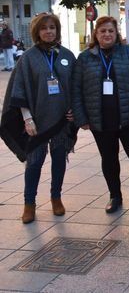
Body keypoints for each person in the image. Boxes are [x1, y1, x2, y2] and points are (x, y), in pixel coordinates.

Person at [71, 16, 129, 214]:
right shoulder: (85, 58)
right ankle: (115, 196)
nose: (107, 34)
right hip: (101, 122)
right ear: (96, 34)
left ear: (116, 33)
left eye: (111, 31)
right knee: (109, 161)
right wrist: (82, 118)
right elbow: (76, 90)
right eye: (103, 31)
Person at [0, 13, 77, 224]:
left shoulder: (68, 56)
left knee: (59, 160)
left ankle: (56, 198)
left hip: (62, 120)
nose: (48, 31)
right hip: (36, 121)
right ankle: (29, 203)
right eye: (44, 28)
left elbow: (75, 87)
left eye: (52, 27)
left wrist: (74, 110)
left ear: (57, 30)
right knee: (34, 163)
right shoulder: (28, 57)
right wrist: (27, 119)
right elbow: (20, 89)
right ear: (37, 32)